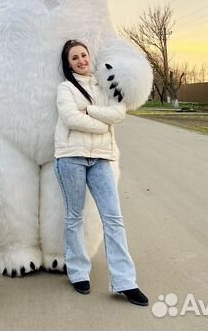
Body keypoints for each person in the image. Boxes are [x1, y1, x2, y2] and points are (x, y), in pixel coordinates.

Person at [54, 39, 148, 306]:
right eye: (75, 58)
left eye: (83, 55)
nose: (81, 60)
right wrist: (101, 125)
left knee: (113, 218)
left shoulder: (104, 84)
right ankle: (78, 271)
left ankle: (125, 281)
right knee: (74, 216)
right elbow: (70, 118)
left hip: (101, 159)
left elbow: (118, 113)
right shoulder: (65, 88)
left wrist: (91, 110)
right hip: (71, 157)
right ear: (68, 63)